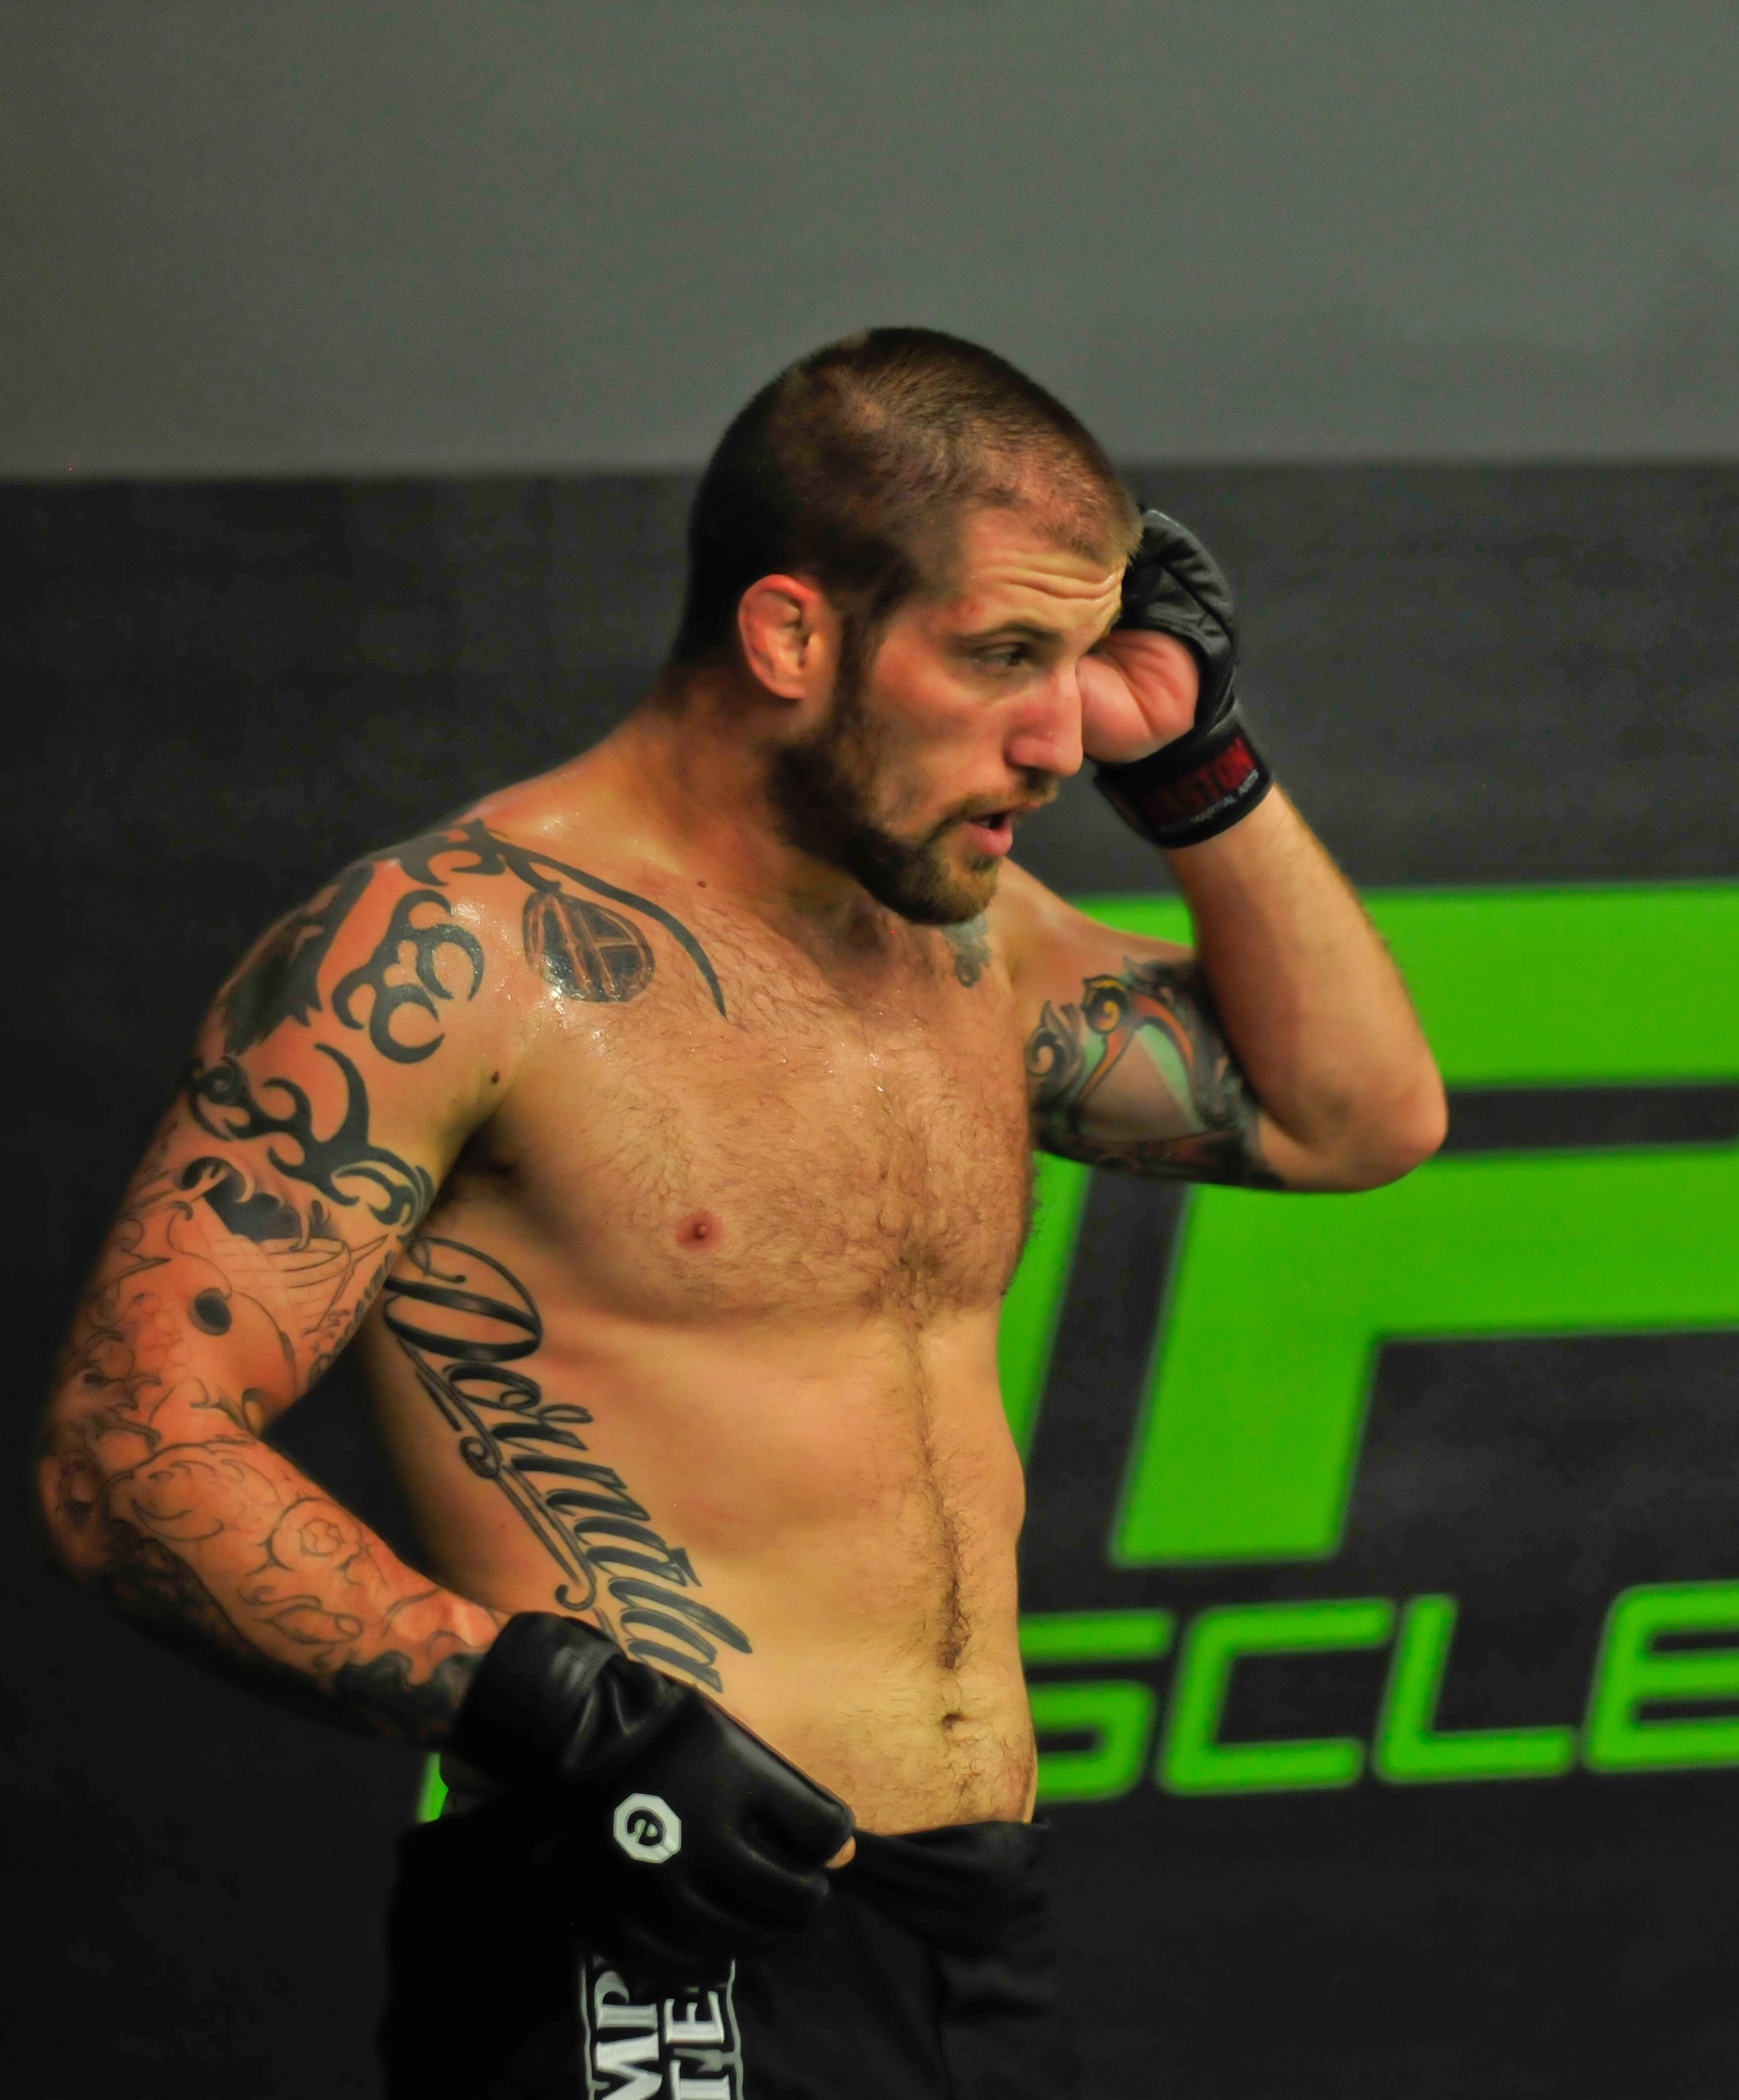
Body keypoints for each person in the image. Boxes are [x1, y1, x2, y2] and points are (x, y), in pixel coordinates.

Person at [38, 327, 1446, 2097]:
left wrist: (1199, 768)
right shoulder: (451, 954)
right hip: (638, 1915)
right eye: (1006, 653)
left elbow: (1356, 1118)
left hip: (969, 1919)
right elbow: (127, 1445)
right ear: (791, 633)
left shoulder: (970, 947)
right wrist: (545, 1706)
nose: (1055, 734)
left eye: (1079, 664)